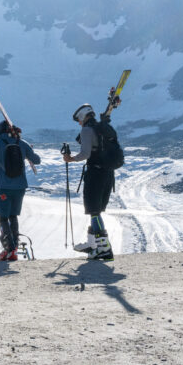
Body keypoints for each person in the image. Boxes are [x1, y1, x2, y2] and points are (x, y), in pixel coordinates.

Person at [0, 120, 41, 261]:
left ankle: (9, 249)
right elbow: (37, 160)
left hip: (3, 188)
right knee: (13, 216)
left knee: (3, 218)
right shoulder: (22, 143)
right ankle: (14, 247)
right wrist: (28, 149)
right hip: (20, 187)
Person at [62, 104, 113, 261]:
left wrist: (71, 159)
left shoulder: (87, 130)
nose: (79, 122)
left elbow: (85, 153)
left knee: (94, 210)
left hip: (95, 174)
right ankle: (94, 245)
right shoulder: (102, 129)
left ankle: (103, 248)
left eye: (79, 119)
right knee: (96, 210)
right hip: (108, 173)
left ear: (83, 116)